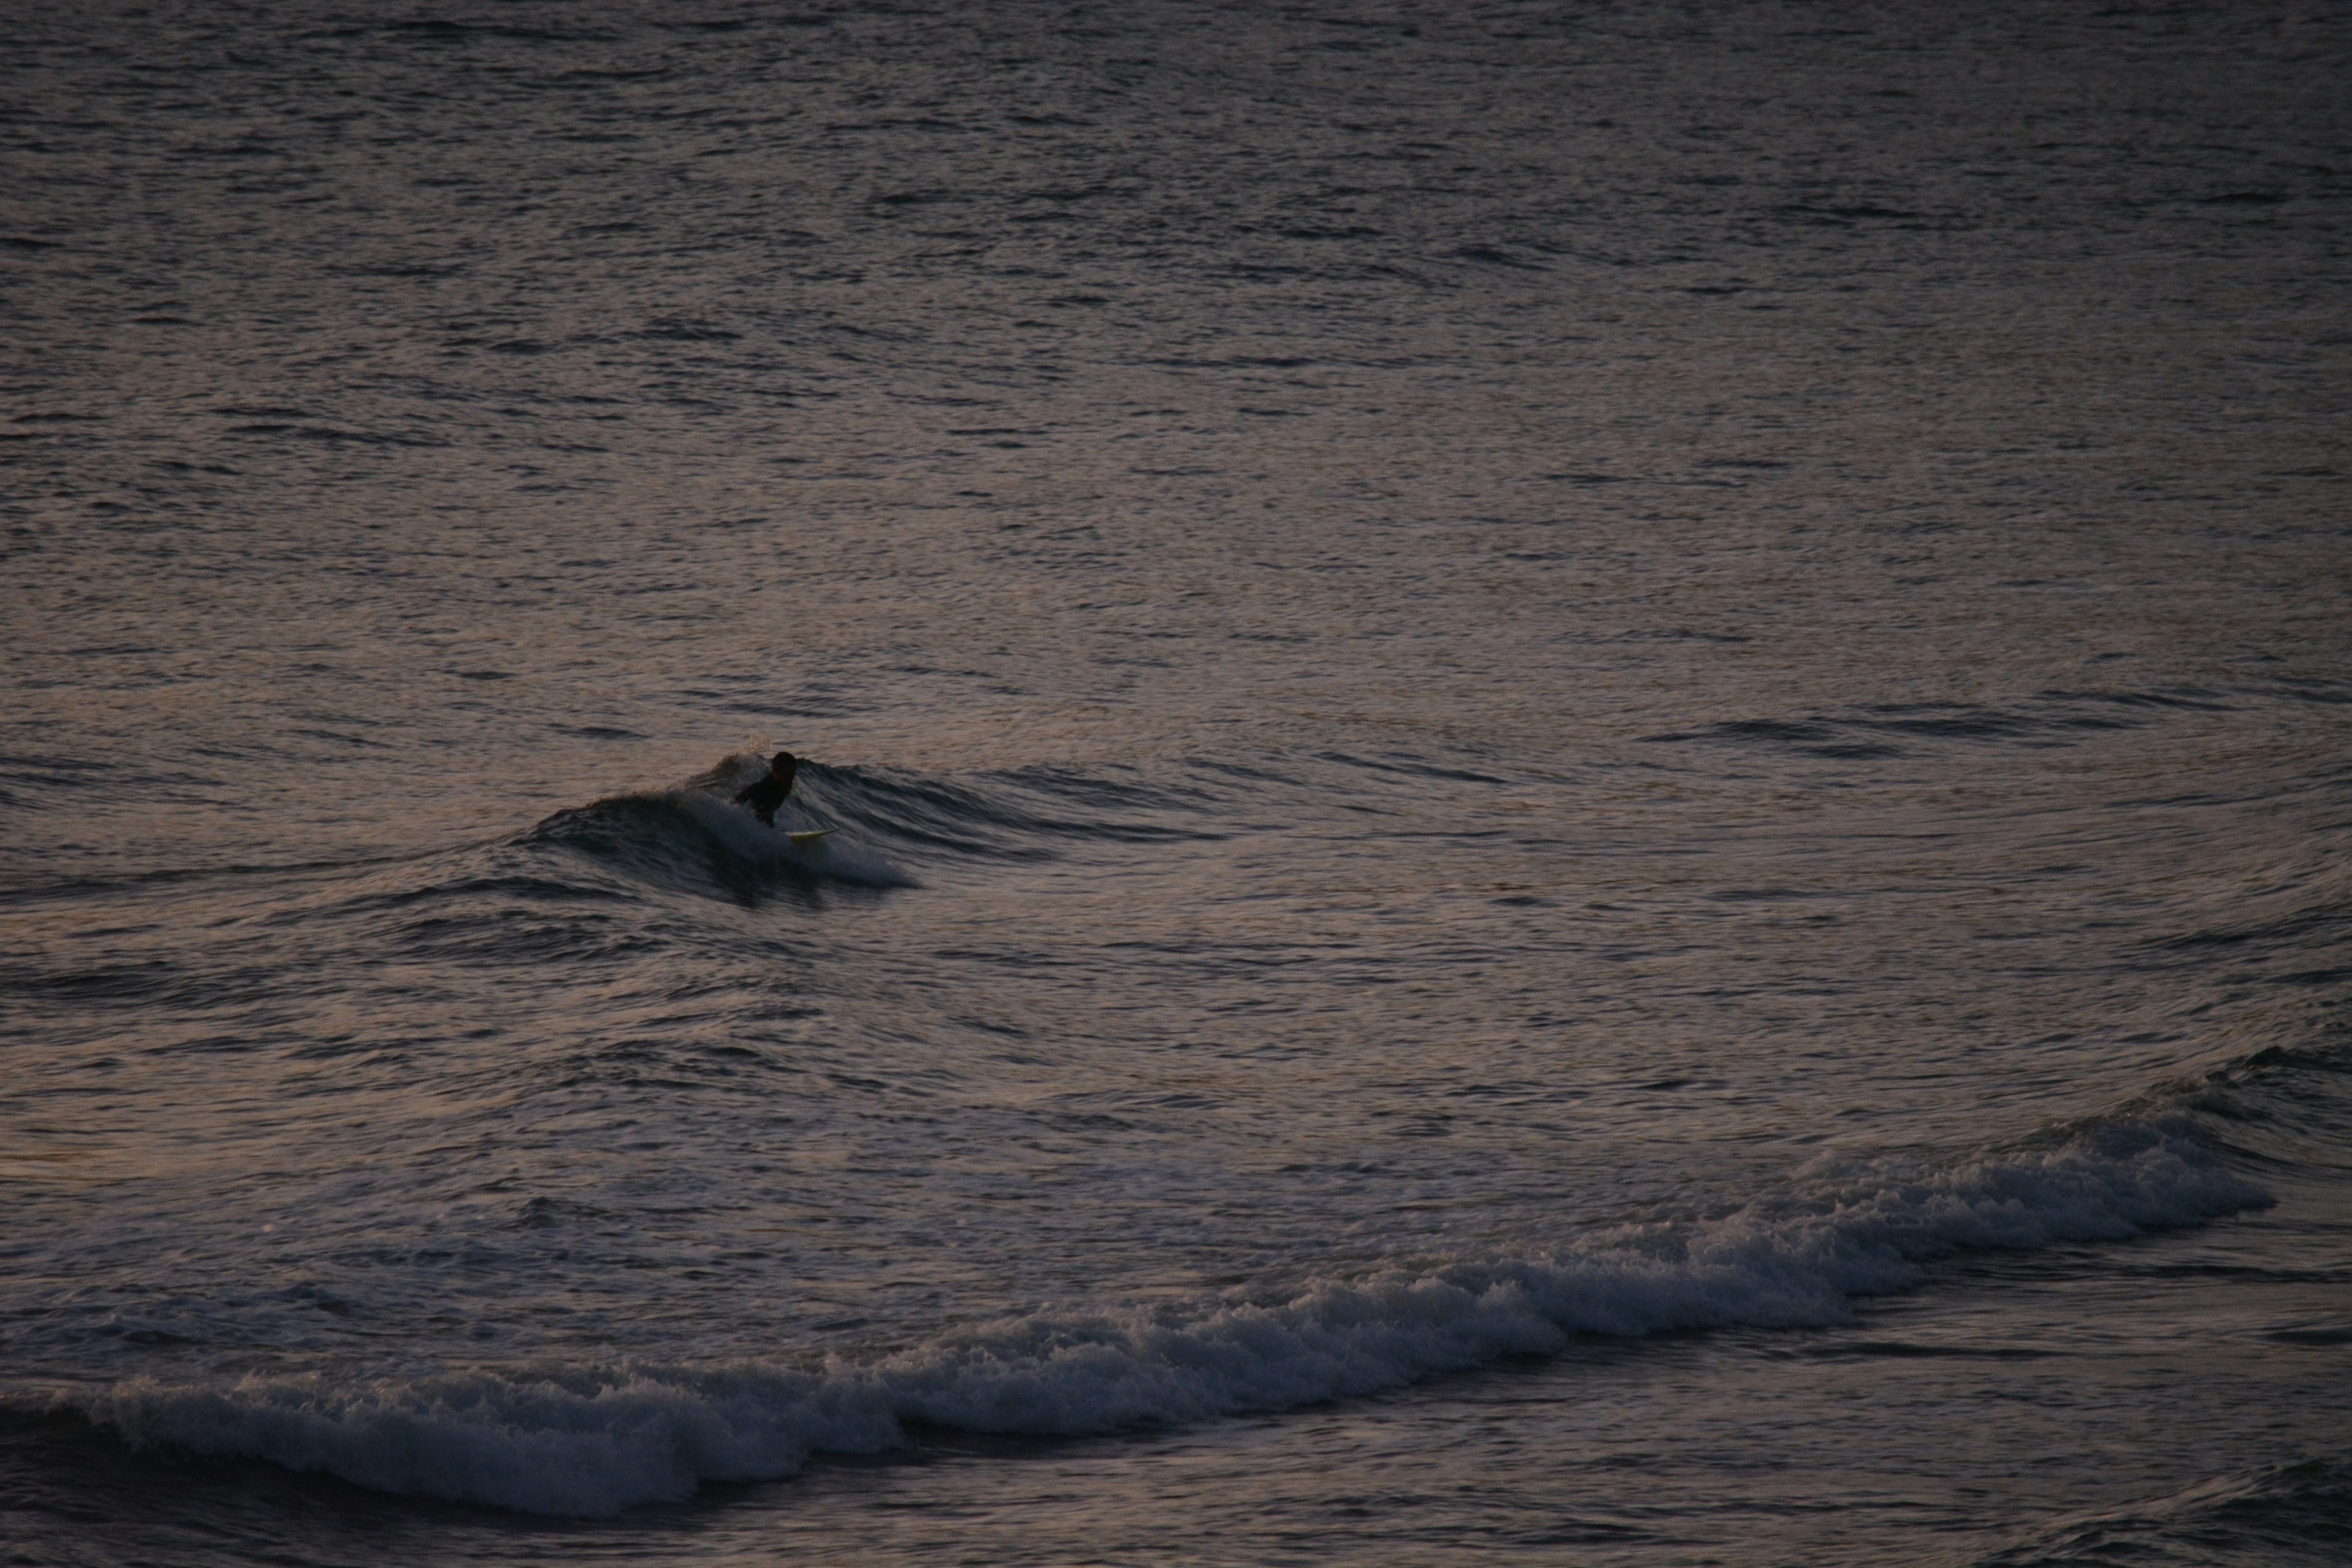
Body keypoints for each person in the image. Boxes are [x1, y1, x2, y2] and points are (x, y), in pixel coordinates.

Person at [733, 750, 798, 827]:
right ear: (776, 771)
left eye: (793, 773)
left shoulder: (784, 785)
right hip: (738, 812)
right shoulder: (769, 789)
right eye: (788, 774)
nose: (792, 777)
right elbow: (758, 815)